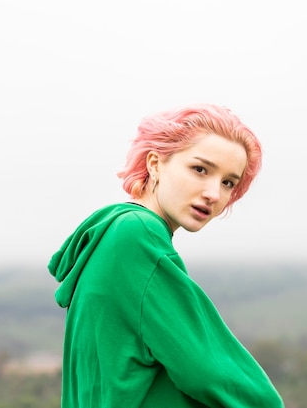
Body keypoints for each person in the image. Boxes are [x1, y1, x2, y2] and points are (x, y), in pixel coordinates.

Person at [48, 103, 284, 407]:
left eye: (228, 183)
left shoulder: (114, 233)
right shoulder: (137, 236)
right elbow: (207, 368)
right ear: (155, 164)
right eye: (200, 169)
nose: (214, 193)